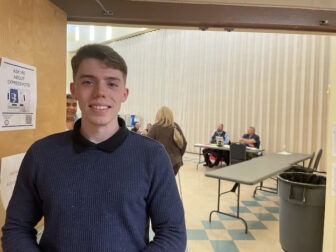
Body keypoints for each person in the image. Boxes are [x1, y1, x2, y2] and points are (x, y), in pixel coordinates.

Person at [2, 44, 186, 252]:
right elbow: (16, 228)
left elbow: (173, 234)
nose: (100, 93)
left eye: (112, 84)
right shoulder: (42, 154)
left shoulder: (152, 155)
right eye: (88, 82)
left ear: (124, 94)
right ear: (74, 90)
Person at [148, 107, 187, 175]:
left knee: (161, 183)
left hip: (161, 163)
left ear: (158, 115)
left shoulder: (155, 127)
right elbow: (184, 143)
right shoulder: (175, 126)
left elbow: (147, 145)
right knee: (169, 181)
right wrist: (179, 156)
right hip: (176, 162)